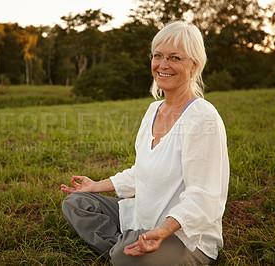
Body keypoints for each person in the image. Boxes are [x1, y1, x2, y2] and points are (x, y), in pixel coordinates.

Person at [60, 20, 229, 265]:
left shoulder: (203, 118)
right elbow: (142, 172)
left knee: (123, 258)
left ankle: (125, 248)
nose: (163, 65)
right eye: (158, 55)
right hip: (143, 216)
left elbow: (204, 197)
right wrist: (96, 185)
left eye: (174, 58)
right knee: (76, 203)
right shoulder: (153, 110)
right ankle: (127, 244)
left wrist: (162, 232)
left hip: (184, 235)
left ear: (194, 65)